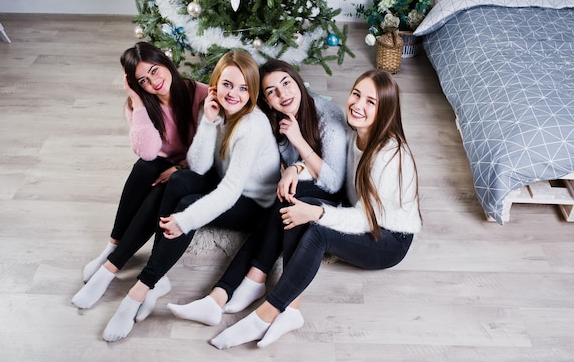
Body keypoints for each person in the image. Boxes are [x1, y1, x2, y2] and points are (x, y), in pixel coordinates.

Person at [209, 69, 423, 349]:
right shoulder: (354, 131)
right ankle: (284, 303)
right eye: (356, 94)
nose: (358, 105)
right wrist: (295, 171)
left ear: (386, 109)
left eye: (371, 102)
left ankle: (267, 314)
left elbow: (365, 219)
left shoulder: (388, 155)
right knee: (295, 198)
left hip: (388, 237)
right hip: (357, 210)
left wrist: (318, 214)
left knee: (318, 232)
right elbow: (330, 171)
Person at [100, 49, 281, 342]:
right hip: (226, 185)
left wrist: (185, 220)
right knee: (181, 179)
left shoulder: (252, 126)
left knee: (184, 207)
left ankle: (140, 289)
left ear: (253, 90)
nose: (233, 94)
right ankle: (155, 278)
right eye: (226, 85)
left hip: (253, 204)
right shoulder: (216, 109)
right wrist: (208, 121)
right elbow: (199, 166)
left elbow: (229, 193)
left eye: (243, 88)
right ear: (215, 84)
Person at [166, 59, 348, 326]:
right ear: (265, 99)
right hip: (297, 182)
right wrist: (291, 170)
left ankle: (250, 280)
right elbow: (279, 160)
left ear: (297, 81)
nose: (282, 94)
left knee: (282, 201)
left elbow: (333, 182)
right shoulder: (272, 118)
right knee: (278, 201)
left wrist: (297, 146)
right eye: (272, 91)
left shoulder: (328, 117)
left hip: (327, 194)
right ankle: (221, 295)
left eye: (286, 83)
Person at [72, 42, 207, 308]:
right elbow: (147, 152)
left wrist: (180, 167)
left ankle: (113, 266)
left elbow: (210, 152)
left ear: (166, 63)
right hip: (163, 162)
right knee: (145, 168)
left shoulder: (199, 93)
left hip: (197, 169)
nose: (153, 82)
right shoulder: (139, 105)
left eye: (155, 71)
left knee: (162, 189)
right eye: (143, 80)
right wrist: (137, 100)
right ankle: (113, 247)